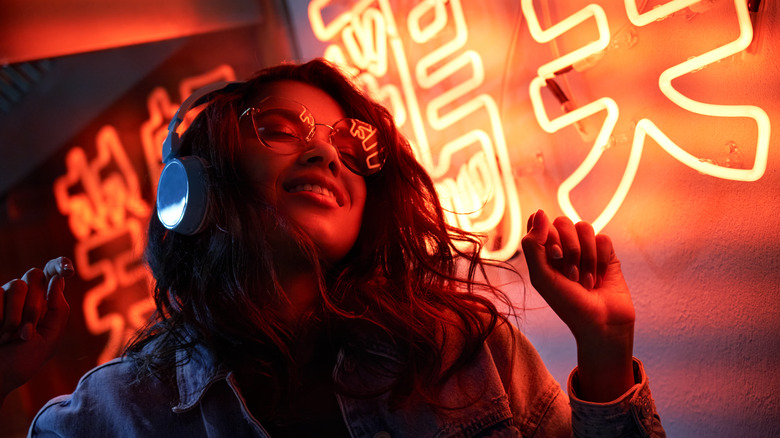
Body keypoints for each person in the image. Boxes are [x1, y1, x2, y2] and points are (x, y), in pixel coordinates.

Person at [6, 59, 663, 436]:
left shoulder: (469, 354)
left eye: (353, 152)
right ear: (195, 187)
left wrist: (606, 354)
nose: (325, 151)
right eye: (280, 131)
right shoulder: (109, 419)